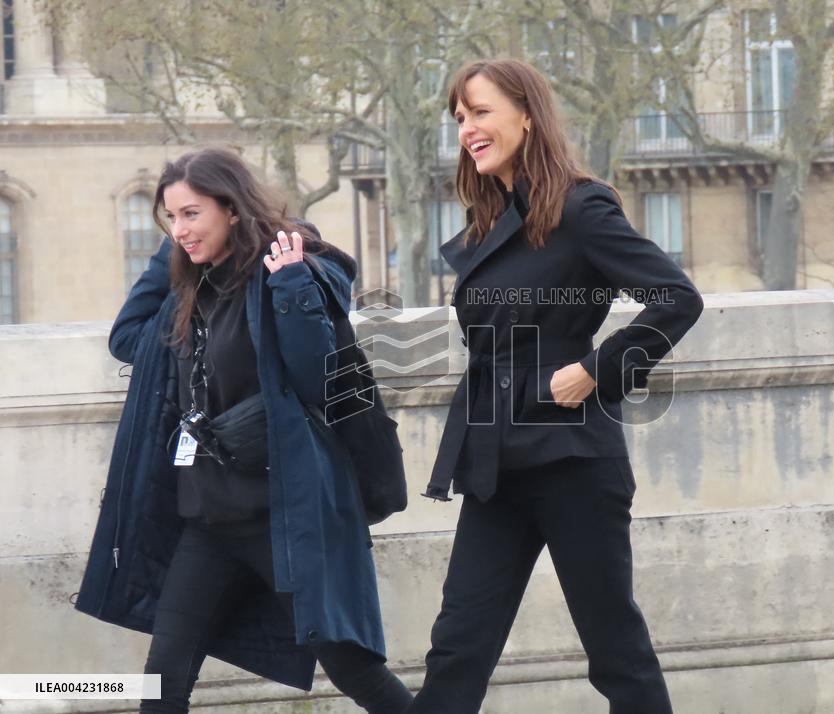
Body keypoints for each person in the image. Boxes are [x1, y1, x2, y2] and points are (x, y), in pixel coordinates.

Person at [410, 60, 704, 714]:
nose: (468, 129)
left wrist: (599, 370)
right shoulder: (490, 221)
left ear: (525, 113)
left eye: (480, 112)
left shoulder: (580, 207)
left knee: (616, 654)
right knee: (457, 648)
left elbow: (676, 299)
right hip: (496, 461)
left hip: (573, 461)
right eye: (459, 118)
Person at [74, 148, 413, 713]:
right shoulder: (189, 294)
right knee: (161, 685)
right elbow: (128, 335)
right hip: (207, 521)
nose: (180, 229)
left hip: (280, 518)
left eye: (192, 214)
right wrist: (178, 248)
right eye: (170, 217)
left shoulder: (284, 275)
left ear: (232, 209)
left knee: (357, 673)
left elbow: (315, 380)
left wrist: (292, 287)